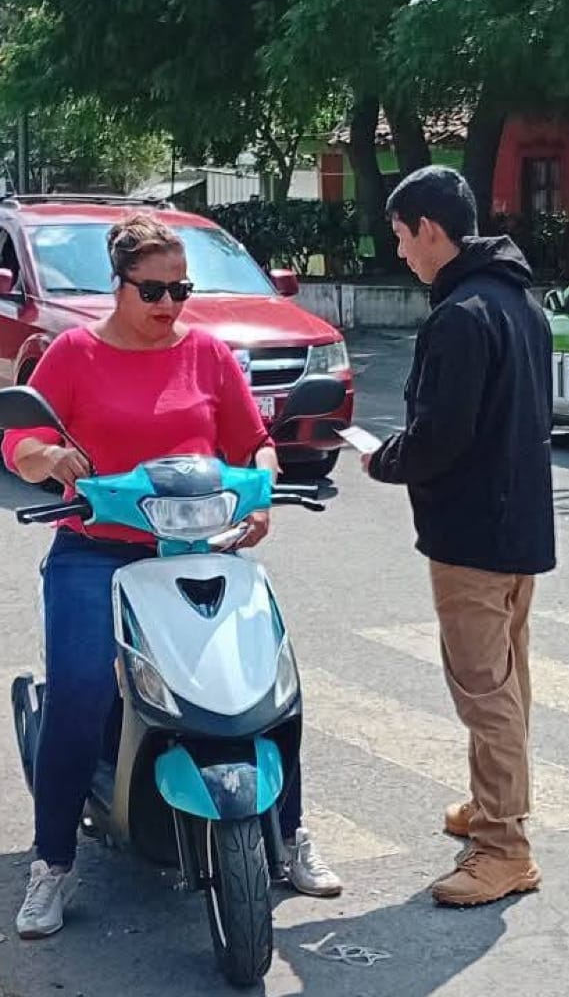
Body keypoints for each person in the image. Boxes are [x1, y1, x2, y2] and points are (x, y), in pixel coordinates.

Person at [6, 214, 342, 940]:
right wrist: (46, 458)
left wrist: (261, 491)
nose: (167, 306)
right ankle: (53, 862)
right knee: (82, 689)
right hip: (98, 548)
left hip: (201, 548)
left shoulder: (209, 354)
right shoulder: (72, 353)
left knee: (268, 688)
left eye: (180, 290)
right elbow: (21, 435)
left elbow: (252, 441)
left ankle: (291, 830)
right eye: (152, 290)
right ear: (118, 286)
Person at [362, 166, 556, 907]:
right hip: (516, 523)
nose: (403, 253)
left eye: (403, 236)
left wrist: (383, 459)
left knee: (484, 690)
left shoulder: (462, 315)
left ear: (431, 230)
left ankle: (503, 844)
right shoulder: (515, 301)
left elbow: (440, 439)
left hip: (473, 531)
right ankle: (492, 805)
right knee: (506, 680)